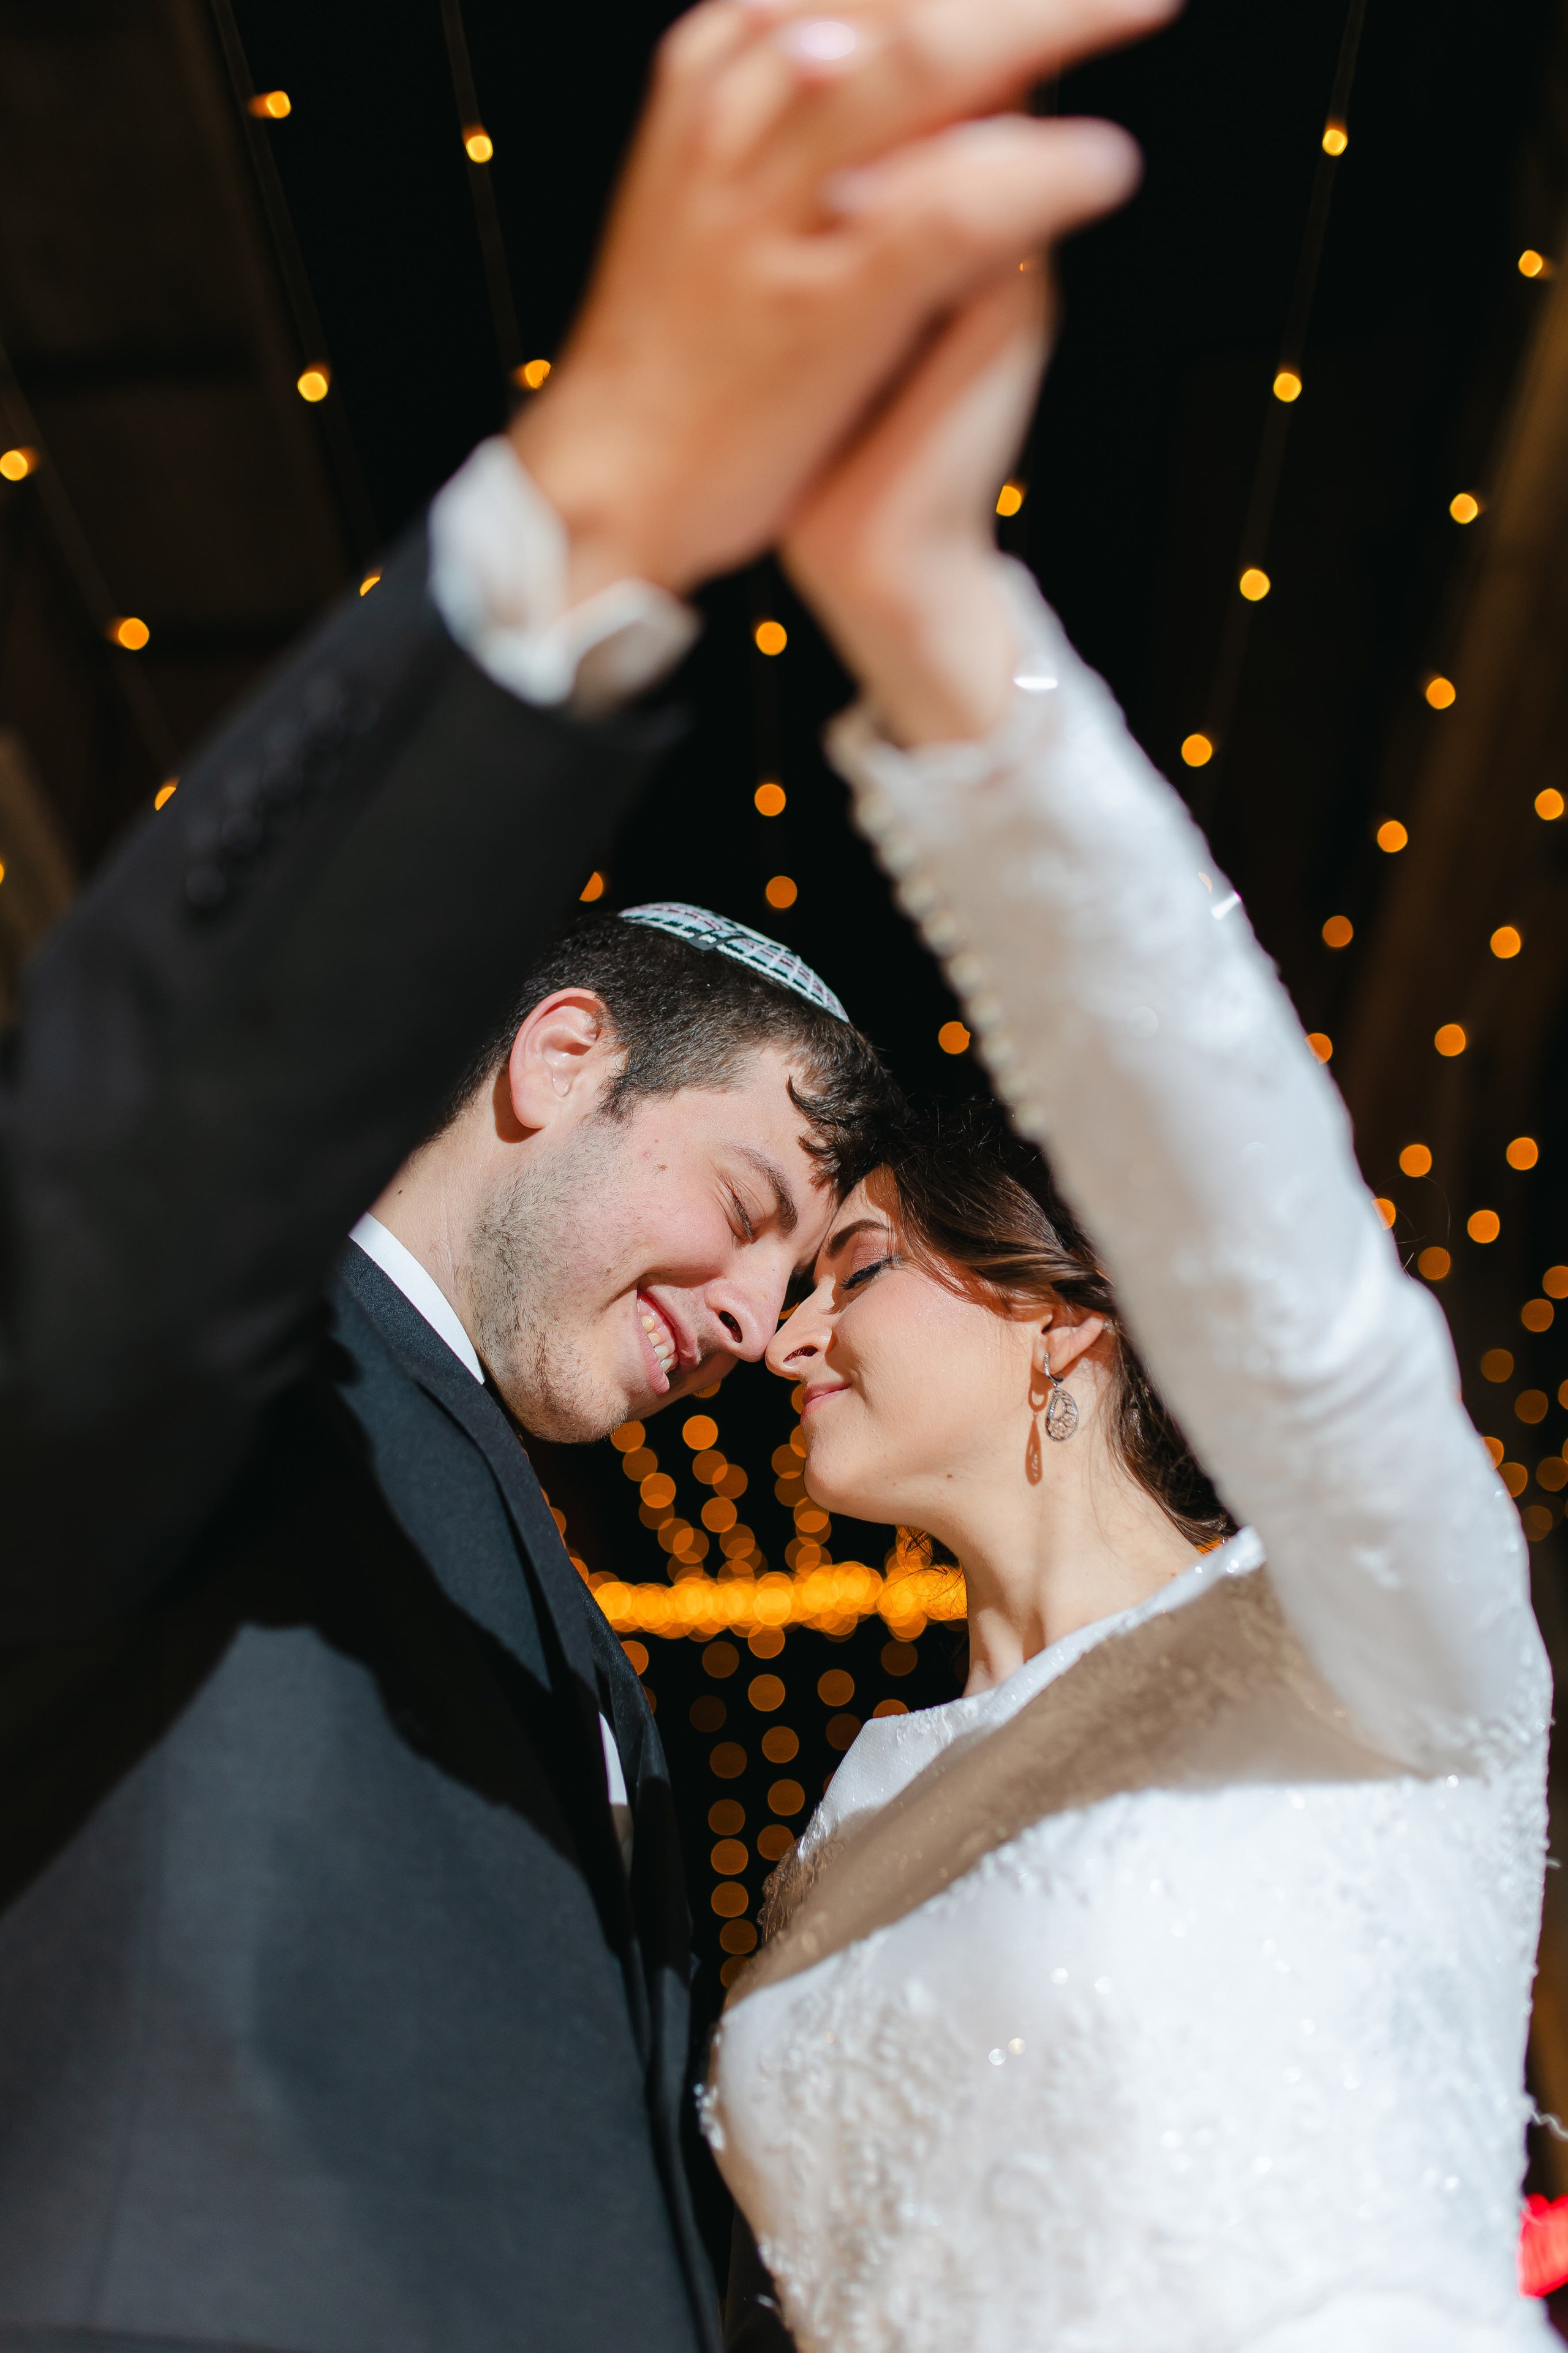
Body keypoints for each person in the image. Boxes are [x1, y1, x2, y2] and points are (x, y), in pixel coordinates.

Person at [0, 0, 1173, 2345]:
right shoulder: (229, 1366)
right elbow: (147, 1152)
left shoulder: (548, 1566)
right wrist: (594, 518)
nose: (757, 1332)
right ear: (558, 1061)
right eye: (749, 1213)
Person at [701, 257, 1555, 2350]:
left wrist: (943, 653)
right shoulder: (855, 1808)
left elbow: (1263, 1222)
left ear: (1068, 1312)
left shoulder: (1363, 1628)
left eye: (857, 1271)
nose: (784, 1339)